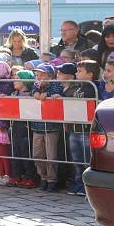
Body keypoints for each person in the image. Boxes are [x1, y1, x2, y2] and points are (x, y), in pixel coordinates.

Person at [63, 61, 99, 196]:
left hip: (86, 130)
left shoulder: (93, 88)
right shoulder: (76, 87)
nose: (76, 73)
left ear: (90, 74)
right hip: (74, 128)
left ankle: (87, 186)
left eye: (80, 71)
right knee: (76, 159)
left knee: (86, 160)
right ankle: (78, 183)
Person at [30, 64, 64, 193]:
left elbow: (56, 93)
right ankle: (42, 177)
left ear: (50, 76)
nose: (39, 77)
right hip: (37, 126)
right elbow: (34, 93)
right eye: (38, 75)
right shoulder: (35, 85)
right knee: (37, 155)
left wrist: (47, 94)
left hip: (51, 126)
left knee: (51, 156)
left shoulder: (55, 84)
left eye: (42, 75)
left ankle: (52, 180)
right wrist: (36, 92)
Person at [8, 70, 37, 188]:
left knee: (26, 152)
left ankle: (29, 176)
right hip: (15, 126)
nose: (14, 80)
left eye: (17, 78)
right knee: (15, 151)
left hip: (25, 126)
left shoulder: (30, 95)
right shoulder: (13, 94)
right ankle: (16, 175)